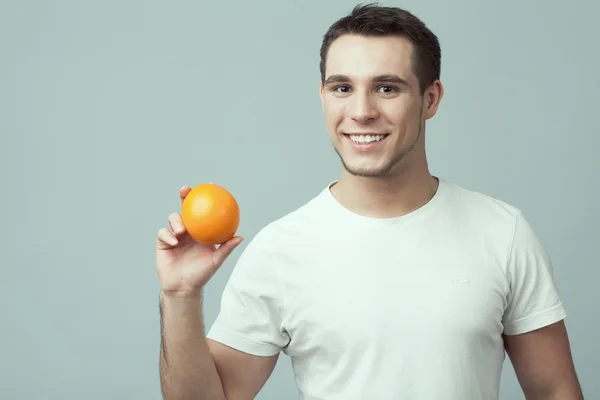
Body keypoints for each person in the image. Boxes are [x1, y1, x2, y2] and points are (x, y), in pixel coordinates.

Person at [155, 3, 583, 399]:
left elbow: (555, 392)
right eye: (342, 87)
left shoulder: (502, 232)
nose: (361, 111)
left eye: (387, 88)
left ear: (430, 99)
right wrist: (179, 295)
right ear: (322, 97)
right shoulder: (279, 250)